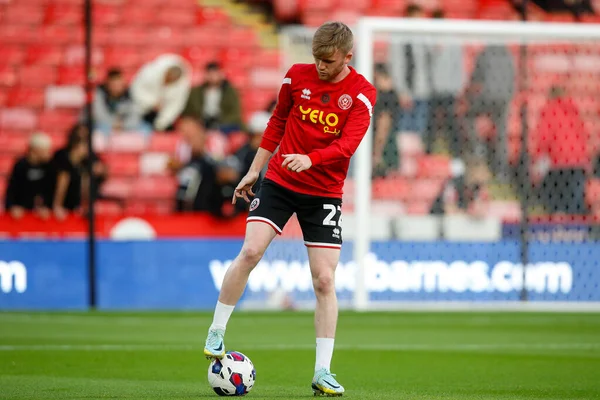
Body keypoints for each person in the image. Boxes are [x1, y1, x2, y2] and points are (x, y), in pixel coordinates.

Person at [203, 21, 376, 397]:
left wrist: (311, 160)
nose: (320, 67)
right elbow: (278, 121)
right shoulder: (296, 77)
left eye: (328, 61)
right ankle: (217, 331)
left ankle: (322, 372)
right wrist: (254, 170)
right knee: (250, 250)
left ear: (348, 56)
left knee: (324, 281)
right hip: (280, 181)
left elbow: (347, 146)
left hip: (324, 192)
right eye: (316, 58)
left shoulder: (362, 94)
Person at [532, 85, 590, 215]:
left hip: (558, 163)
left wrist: (537, 163)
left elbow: (543, 139)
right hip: (577, 163)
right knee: (574, 207)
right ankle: (575, 232)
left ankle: (557, 227)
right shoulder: (574, 111)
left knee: (556, 205)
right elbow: (584, 136)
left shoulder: (549, 111)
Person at [464, 45, 515, 182]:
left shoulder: (485, 53)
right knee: (501, 134)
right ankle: (502, 171)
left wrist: (470, 93)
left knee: (467, 116)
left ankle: (478, 145)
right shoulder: (508, 54)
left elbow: (476, 77)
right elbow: (513, 78)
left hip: (487, 96)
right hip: (504, 99)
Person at [175, 116, 239, 217]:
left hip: (210, 178)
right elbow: (181, 164)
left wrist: (202, 152)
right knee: (188, 175)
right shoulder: (183, 143)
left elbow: (219, 162)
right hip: (195, 174)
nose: (185, 131)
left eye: (188, 127)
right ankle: (183, 207)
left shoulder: (216, 139)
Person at [426, 9, 465, 159]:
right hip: (432, 91)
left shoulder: (453, 41)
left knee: (452, 125)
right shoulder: (427, 41)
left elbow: (458, 66)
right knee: (431, 125)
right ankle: (428, 154)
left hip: (449, 91)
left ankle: (455, 156)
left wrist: (458, 88)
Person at [389, 4, 432, 137]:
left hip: (422, 90)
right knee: (404, 130)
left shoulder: (426, 38)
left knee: (420, 130)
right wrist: (401, 90)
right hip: (405, 91)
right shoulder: (399, 38)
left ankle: (416, 156)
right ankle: (405, 157)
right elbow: (396, 65)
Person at [130, 54, 191, 132]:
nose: (168, 82)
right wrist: (151, 103)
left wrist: (160, 123)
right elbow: (136, 89)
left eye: (171, 81)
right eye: (168, 78)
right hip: (136, 108)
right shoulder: (149, 72)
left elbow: (175, 107)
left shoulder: (182, 87)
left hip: (157, 115)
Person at [183, 62, 243, 133]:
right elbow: (188, 111)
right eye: (210, 73)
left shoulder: (230, 91)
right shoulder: (196, 92)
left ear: (221, 74)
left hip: (223, 124)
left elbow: (235, 113)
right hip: (203, 123)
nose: (212, 77)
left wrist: (220, 122)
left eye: (215, 73)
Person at [4, 132, 53, 219]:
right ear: (35, 149)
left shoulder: (49, 167)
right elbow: (12, 188)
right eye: (46, 150)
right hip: (20, 211)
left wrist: (47, 207)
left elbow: (49, 190)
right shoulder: (21, 165)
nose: (48, 153)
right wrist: (12, 207)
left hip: (39, 213)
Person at [88, 68, 146, 135]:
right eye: (113, 85)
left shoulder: (130, 94)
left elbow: (136, 116)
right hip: (105, 127)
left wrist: (123, 125)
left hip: (125, 126)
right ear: (107, 84)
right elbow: (98, 116)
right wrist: (114, 124)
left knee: (144, 128)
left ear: (123, 83)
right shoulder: (99, 93)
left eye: (118, 85)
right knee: (100, 128)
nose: (116, 88)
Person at [45, 133, 89, 220]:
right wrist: (57, 206)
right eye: (85, 146)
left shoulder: (82, 165)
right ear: (76, 146)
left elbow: (84, 188)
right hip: (60, 209)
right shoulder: (65, 163)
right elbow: (61, 187)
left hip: (73, 208)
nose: (87, 150)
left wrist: (83, 206)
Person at [233, 111, 270, 212]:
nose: (257, 140)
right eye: (255, 136)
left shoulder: (276, 155)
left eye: (260, 136)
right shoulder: (243, 154)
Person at [372, 63, 401, 178]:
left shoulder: (385, 98)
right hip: (386, 152)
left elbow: (383, 127)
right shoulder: (390, 96)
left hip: (383, 154)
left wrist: (376, 155)